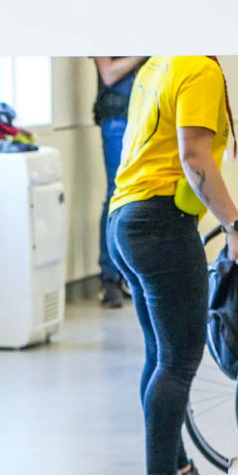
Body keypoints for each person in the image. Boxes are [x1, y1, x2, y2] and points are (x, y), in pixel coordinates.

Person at [107, 56, 238, 475]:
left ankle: (175, 467)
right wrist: (236, 227)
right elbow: (195, 158)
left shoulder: (158, 63)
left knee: (161, 355)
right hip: (160, 224)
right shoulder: (199, 68)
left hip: (126, 218)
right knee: (178, 358)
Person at [92, 56, 147, 308]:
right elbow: (110, 74)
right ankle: (110, 278)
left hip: (145, 113)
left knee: (143, 195)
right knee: (116, 194)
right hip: (117, 116)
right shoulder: (103, 28)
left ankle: (130, 274)